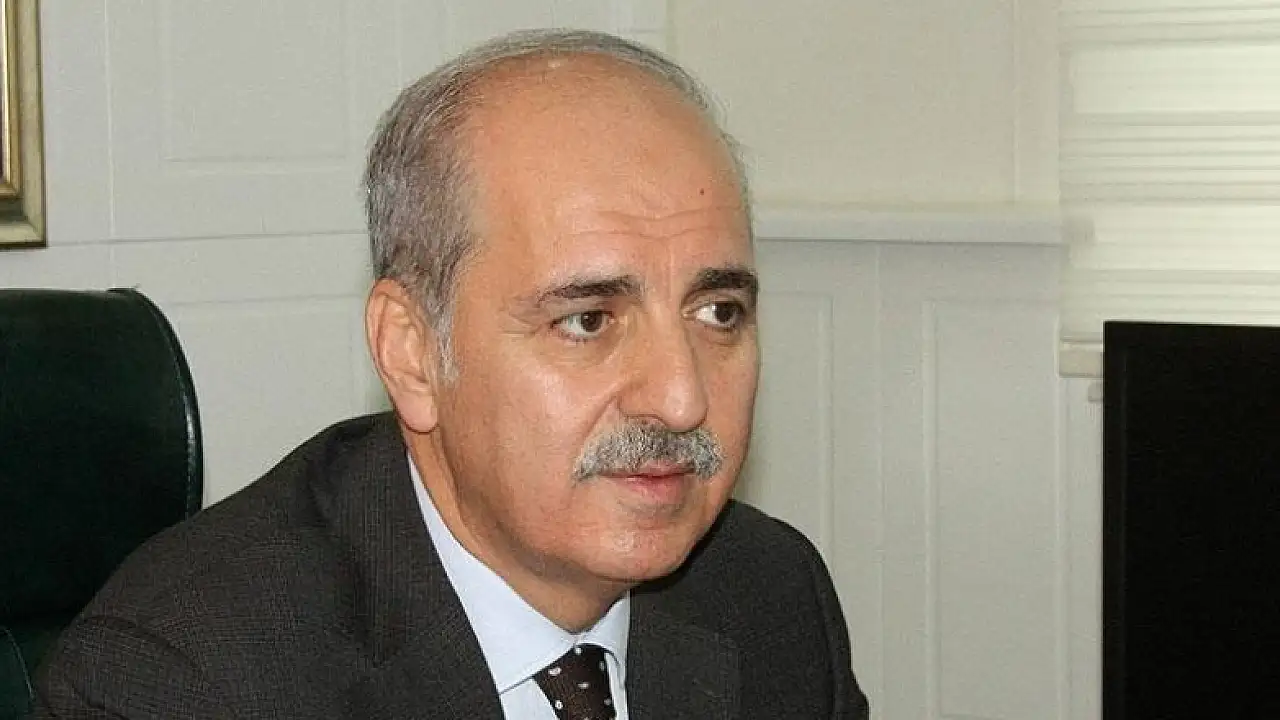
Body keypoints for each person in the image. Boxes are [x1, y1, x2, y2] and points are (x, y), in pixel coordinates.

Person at [34, 29, 869, 719]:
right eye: (587, 321)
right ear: (413, 353)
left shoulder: (766, 591)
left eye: (718, 312)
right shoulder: (181, 681)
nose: (682, 398)